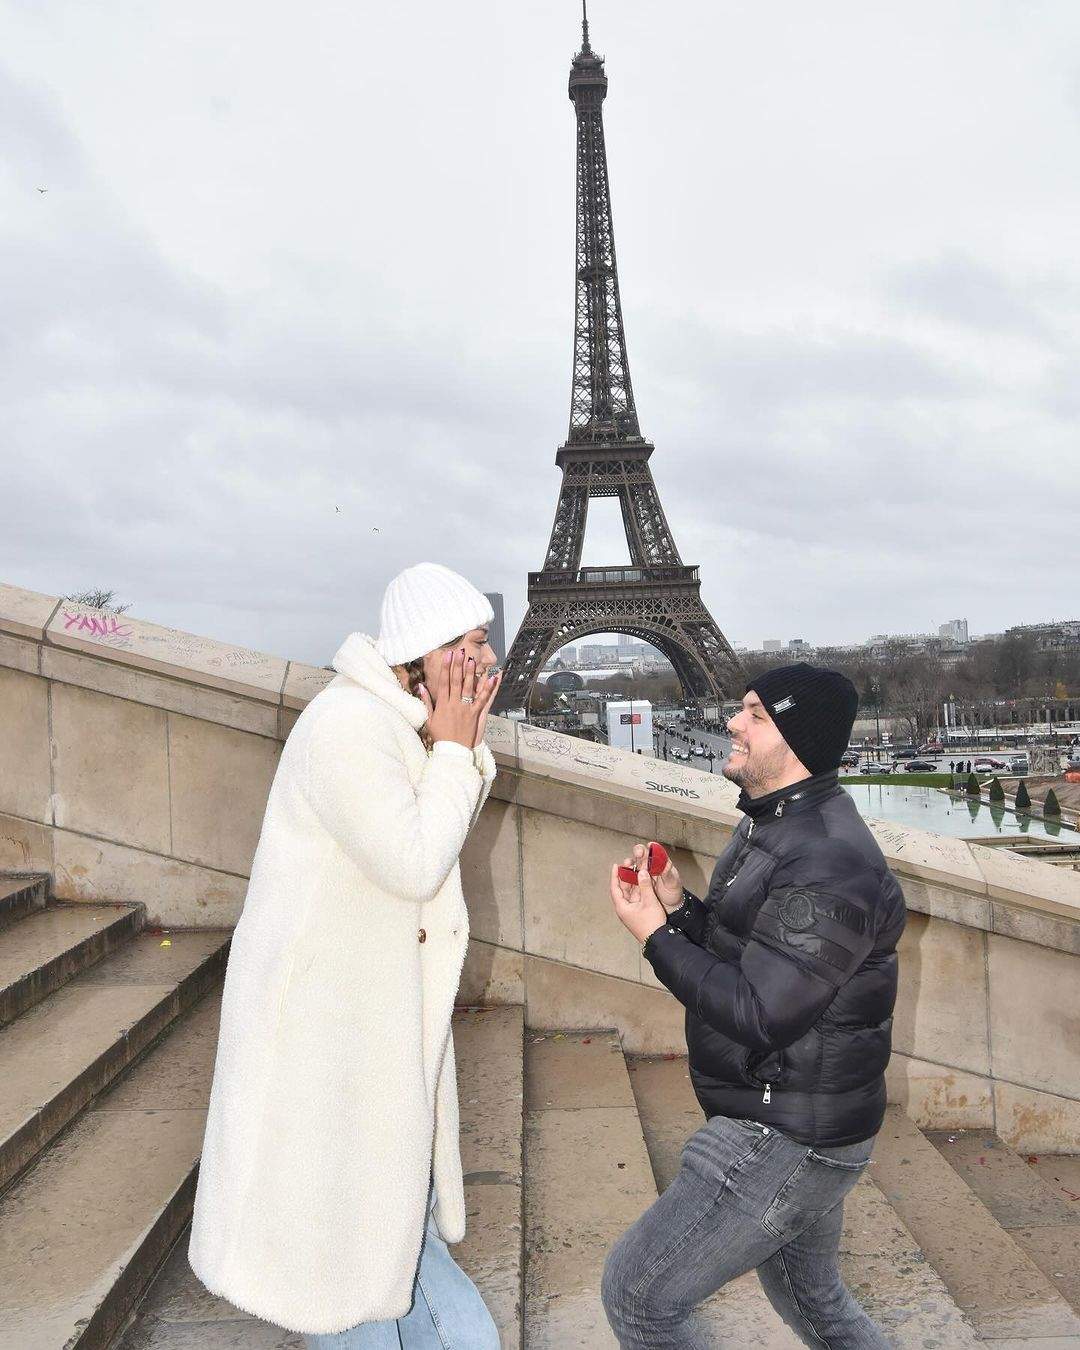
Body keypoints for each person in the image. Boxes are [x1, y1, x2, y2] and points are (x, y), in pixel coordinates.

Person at [189, 563, 503, 1347]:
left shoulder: (390, 724)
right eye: (471, 644)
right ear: (425, 654)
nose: (487, 662)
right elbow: (412, 860)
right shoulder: (346, 727)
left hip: (366, 1034)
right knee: (353, 1273)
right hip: (325, 1050)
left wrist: (455, 746)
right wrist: (458, 751)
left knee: (391, 1253)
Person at [604, 663, 905, 1349]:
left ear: (795, 738)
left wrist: (652, 935)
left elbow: (763, 1012)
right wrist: (679, 910)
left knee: (638, 1294)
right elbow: (754, 957)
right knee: (816, 1301)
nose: (734, 723)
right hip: (788, 1111)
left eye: (755, 714)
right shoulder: (772, 825)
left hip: (788, 1134)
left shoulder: (826, 857)